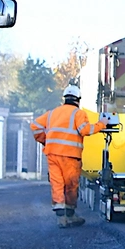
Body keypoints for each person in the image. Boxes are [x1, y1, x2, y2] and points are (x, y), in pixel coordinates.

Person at [30, 85, 110, 228]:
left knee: (57, 184)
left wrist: (45, 140)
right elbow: (85, 130)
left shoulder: (52, 113)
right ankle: (71, 215)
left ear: (64, 99)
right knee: (71, 186)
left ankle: (61, 218)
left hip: (53, 154)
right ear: (78, 100)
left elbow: (35, 126)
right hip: (71, 157)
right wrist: (101, 124)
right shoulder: (78, 113)